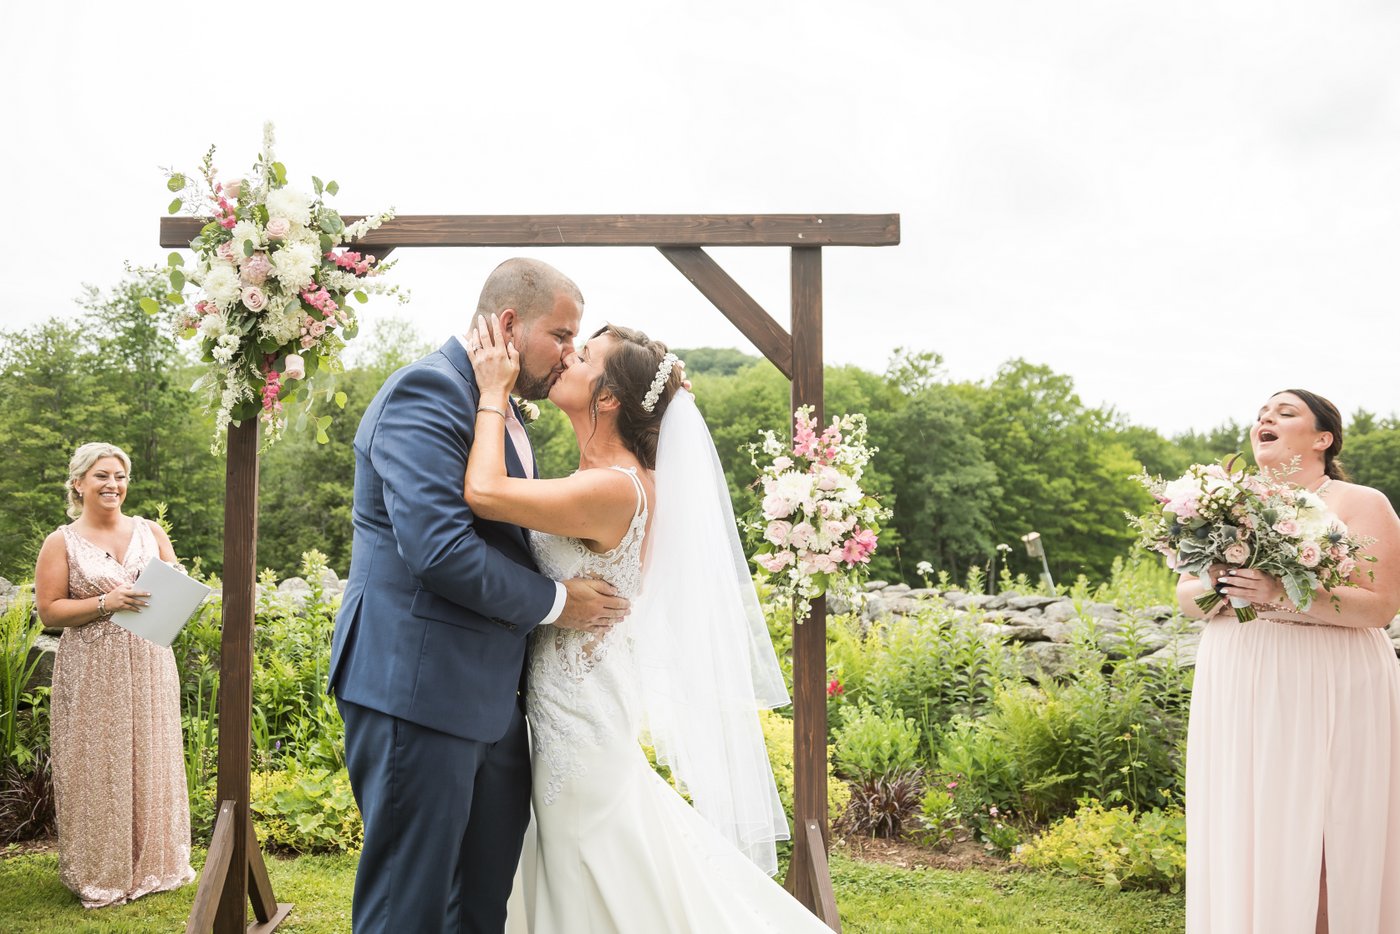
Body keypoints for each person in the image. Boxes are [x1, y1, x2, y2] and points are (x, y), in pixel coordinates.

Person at [465, 316, 831, 932]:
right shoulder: (613, 479)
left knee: (589, 870)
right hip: (575, 707)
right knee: (596, 867)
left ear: (606, 399)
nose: (566, 360)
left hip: (578, 724)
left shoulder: (613, 489)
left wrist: (493, 392)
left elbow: (482, 491)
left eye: (581, 356)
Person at [328, 258, 629, 934]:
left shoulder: (499, 408)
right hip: (418, 690)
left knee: (480, 907)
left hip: (491, 705)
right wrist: (558, 602)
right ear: (510, 324)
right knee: (407, 908)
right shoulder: (426, 393)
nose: (568, 355)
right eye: (561, 335)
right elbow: (439, 551)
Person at [1182, 389, 1400, 933]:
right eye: (1261, 414)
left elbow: (1381, 606)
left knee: (1326, 825)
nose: (1266, 419)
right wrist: (1216, 584)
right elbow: (1186, 598)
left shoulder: (1360, 502)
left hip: (1330, 678)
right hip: (1240, 674)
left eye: (1284, 412)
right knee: (1248, 820)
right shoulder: (1222, 503)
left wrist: (1279, 592)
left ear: (1322, 438)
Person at [32, 442, 195, 908]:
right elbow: (49, 611)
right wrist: (107, 603)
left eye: (120, 476)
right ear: (78, 483)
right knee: (98, 766)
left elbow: (175, 586)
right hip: (92, 669)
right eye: (101, 476)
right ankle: (101, 870)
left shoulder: (151, 531)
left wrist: (175, 588)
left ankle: (157, 864)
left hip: (149, 662)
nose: (113, 485)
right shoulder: (61, 541)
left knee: (152, 755)